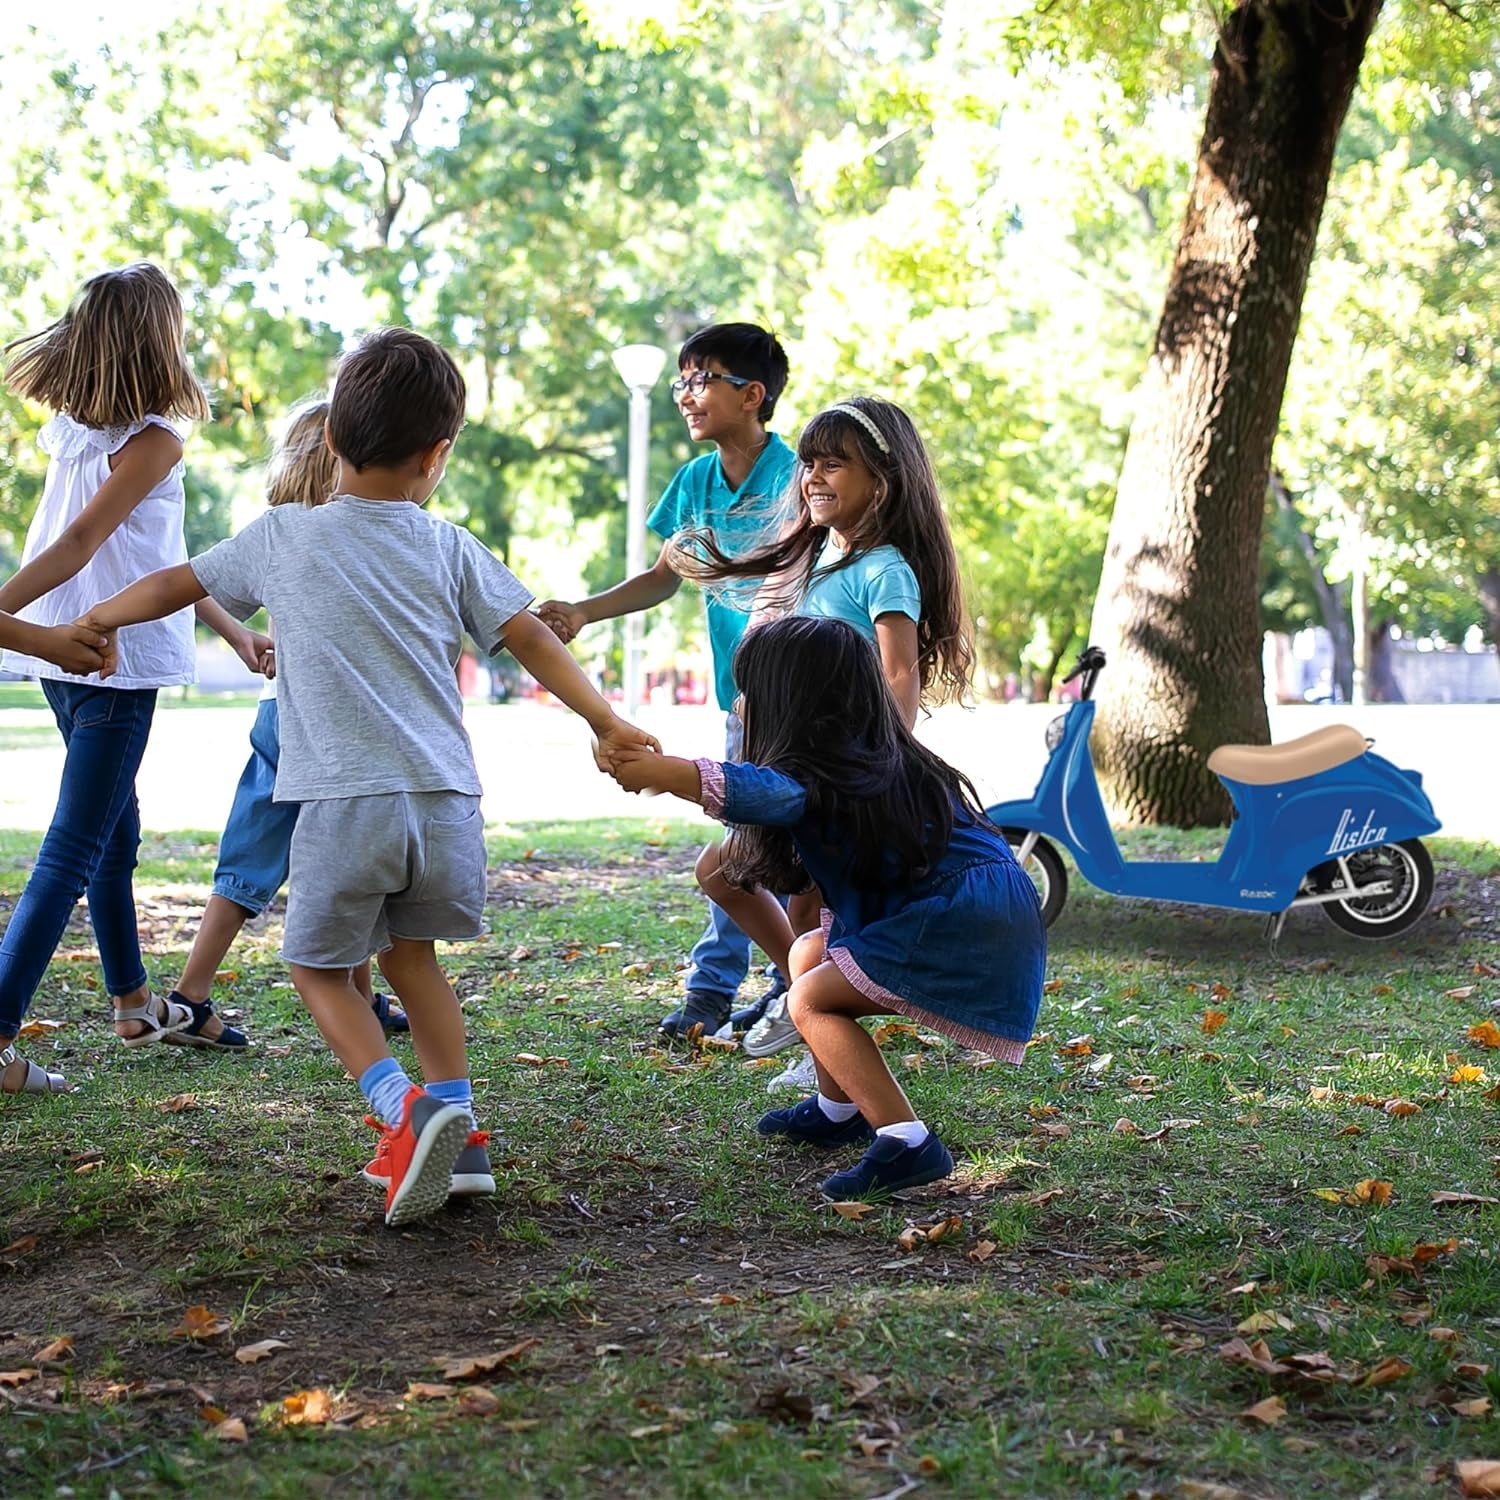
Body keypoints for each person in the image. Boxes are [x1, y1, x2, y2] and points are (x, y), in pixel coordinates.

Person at [84, 326, 658, 1226]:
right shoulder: (448, 545)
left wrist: (100, 619)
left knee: (316, 967)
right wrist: (607, 718)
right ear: (438, 455)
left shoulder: (282, 536)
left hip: (345, 803)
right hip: (446, 805)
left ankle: (404, 1109)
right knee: (414, 962)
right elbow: (532, 635)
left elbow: (175, 583)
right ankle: (461, 1140)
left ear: (331, 443)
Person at [608, 616, 1046, 1198]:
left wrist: (666, 773)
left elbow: (760, 790)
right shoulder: (870, 760)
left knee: (809, 998)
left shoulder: (823, 775)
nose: (740, 705)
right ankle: (837, 1108)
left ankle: (907, 1143)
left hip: (960, 920)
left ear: (794, 704)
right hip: (972, 912)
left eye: (750, 692)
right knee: (808, 953)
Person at [0, 263, 272, 1095]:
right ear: (162, 340)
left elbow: (154, 558)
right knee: (76, 846)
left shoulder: (76, 434)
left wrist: (230, 626)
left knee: (116, 833)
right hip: (105, 659)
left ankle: (130, 1001)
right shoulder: (153, 439)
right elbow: (82, 543)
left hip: (69, 652)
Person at [673, 396, 972, 1087]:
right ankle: (795, 996)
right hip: (794, 770)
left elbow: (899, 674)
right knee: (724, 873)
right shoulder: (817, 559)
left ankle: (817, 1045)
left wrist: (890, 763)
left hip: (845, 778)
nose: (814, 475)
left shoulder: (885, 569)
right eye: (809, 462)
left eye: (835, 463)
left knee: (810, 909)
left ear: (883, 482)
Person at [537, 323, 795, 1041]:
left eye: (700, 379)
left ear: (752, 395)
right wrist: (583, 611)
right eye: (680, 381)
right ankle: (773, 985)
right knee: (746, 843)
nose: (686, 395)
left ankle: (729, 991)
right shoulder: (694, 483)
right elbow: (662, 577)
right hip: (739, 703)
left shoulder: (799, 477)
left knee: (755, 847)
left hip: (798, 703)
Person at [158, 398, 406, 1049]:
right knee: (342, 856)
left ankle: (194, 994)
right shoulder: (354, 531)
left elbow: (198, 579)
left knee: (257, 860)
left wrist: (252, 633)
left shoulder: (280, 530)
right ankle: (194, 996)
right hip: (323, 727)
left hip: (279, 717)